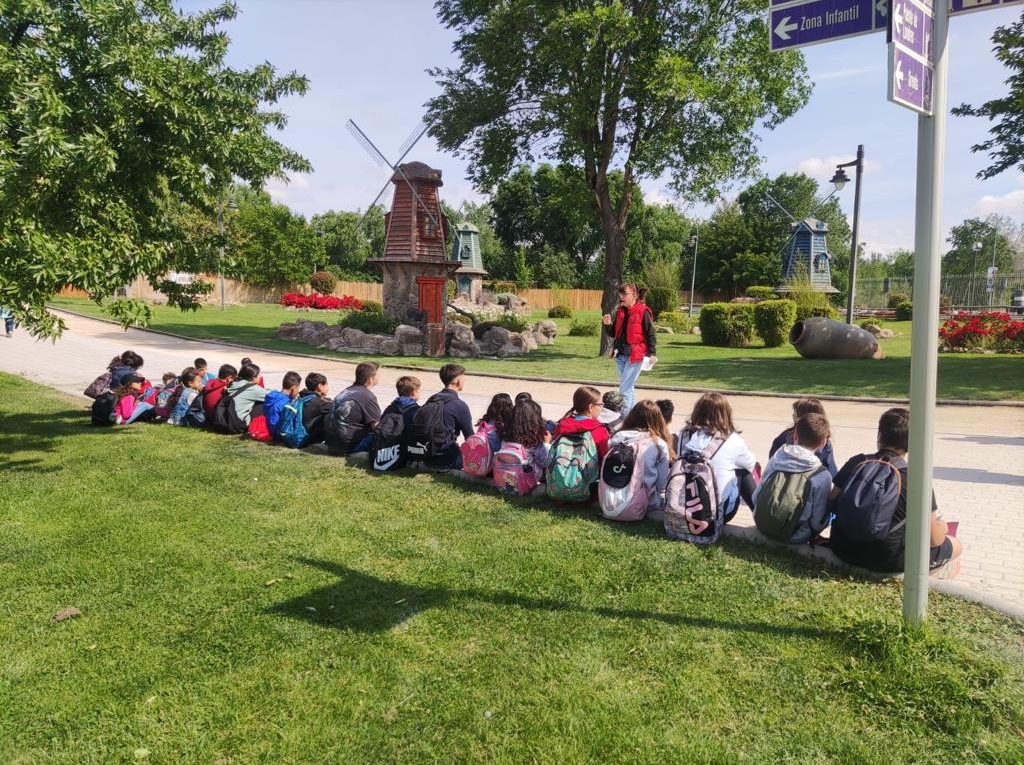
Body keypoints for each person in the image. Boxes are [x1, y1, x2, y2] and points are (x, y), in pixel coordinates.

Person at [828, 407, 962, 574]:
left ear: (879, 435)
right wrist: (943, 527)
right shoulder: (915, 479)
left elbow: (832, 501)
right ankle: (939, 573)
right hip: (884, 560)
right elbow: (934, 539)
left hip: (841, 548)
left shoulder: (856, 462)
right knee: (955, 545)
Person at [753, 413, 834, 544]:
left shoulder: (777, 458)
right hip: (795, 535)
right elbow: (817, 520)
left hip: (761, 524)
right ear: (822, 443)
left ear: (795, 435)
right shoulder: (822, 475)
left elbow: (756, 496)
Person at [677, 392, 758, 522]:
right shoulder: (733, 440)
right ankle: (759, 513)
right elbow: (751, 464)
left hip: (684, 507)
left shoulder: (684, 434)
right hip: (716, 513)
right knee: (743, 472)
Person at [607, 399, 675, 511]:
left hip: (611, 498)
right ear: (657, 419)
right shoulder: (659, 444)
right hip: (644, 501)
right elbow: (661, 485)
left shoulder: (618, 437)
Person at [601, 283, 656, 414]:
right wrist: (607, 324)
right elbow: (614, 333)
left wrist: (652, 353)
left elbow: (650, 334)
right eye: (620, 294)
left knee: (624, 388)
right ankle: (634, 415)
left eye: (624, 294)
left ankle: (624, 417)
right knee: (628, 387)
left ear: (634, 295)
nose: (621, 297)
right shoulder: (620, 311)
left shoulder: (643, 312)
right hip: (620, 355)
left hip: (635, 355)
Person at [415, 363, 474, 469]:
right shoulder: (459, 405)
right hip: (446, 458)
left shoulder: (433, 399)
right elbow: (470, 438)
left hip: (424, 454)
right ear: (458, 381)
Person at [768, 397, 838, 476]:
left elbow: (772, 465)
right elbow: (831, 472)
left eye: (796, 413)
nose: (793, 415)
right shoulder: (824, 441)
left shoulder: (784, 439)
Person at [325, 362, 381, 454]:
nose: (379, 378)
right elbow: (378, 426)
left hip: (331, 443)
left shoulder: (346, 391)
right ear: (371, 379)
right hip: (349, 446)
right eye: (378, 375)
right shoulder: (368, 396)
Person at [551, 385, 611, 459]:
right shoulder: (599, 430)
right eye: (600, 405)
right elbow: (606, 457)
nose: (602, 408)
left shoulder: (562, 425)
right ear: (590, 407)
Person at [262, 371, 303, 439]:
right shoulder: (286, 403)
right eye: (298, 388)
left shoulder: (271, 396)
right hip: (279, 434)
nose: (298, 391)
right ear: (293, 388)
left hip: (269, 429)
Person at [298, 372, 333, 444]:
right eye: (326, 384)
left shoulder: (302, 397)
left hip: (300, 434)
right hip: (308, 439)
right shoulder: (319, 402)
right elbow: (337, 407)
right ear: (320, 386)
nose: (328, 387)